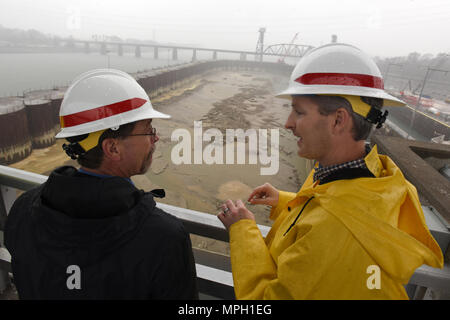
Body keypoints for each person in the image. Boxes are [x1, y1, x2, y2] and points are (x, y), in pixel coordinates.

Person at [217, 43, 443, 299]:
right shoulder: (373, 177)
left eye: (299, 112)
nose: (288, 123)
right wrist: (286, 201)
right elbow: (341, 206)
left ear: (338, 120)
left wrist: (243, 229)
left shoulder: (334, 230)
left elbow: (265, 301)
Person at [5, 69, 198, 299]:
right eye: (148, 130)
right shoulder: (165, 240)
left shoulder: (23, 210)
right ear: (113, 148)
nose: (155, 138)